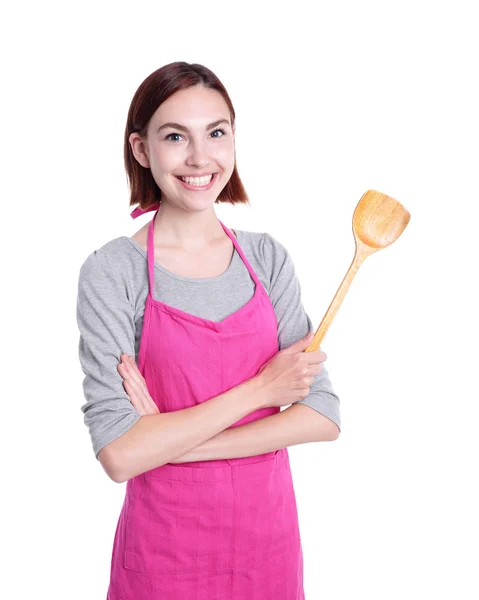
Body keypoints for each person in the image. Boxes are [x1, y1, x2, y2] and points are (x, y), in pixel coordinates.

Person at [76, 61, 341, 600]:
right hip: (163, 553)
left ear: (234, 139)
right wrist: (263, 391)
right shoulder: (114, 272)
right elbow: (120, 455)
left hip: (268, 552)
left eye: (216, 133)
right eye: (176, 137)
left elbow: (321, 415)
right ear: (142, 149)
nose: (201, 158)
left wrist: (171, 445)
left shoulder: (267, 260)